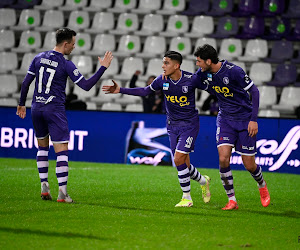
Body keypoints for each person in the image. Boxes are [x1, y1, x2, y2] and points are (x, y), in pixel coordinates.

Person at [16, 27, 113, 203]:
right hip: (54, 110)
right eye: (73, 44)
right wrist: (102, 68)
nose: (74, 47)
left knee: (42, 148)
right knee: (62, 151)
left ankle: (44, 186)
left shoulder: (38, 58)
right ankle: (62, 192)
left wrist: (22, 103)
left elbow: (26, 83)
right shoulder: (66, 63)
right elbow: (86, 85)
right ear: (66, 43)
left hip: (36, 108)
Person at [103, 51, 211, 207]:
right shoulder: (162, 80)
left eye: (166, 63)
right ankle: (203, 180)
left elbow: (212, 89)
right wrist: (121, 90)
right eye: (163, 62)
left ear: (176, 65)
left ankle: (187, 198)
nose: (163, 66)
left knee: (178, 159)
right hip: (172, 125)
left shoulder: (191, 79)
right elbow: (145, 91)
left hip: (189, 125)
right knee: (184, 164)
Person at [192, 44, 270, 210]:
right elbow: (192, 82)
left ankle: (262, 185)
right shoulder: (203, 73)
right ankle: (232, 200)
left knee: (249, 164)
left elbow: (254, 92)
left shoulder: (234, 71)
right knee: (223, 158)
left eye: (199, 61)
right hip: (225, 119)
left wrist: (253, 119)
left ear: (208, 60)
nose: (197, 64)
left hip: (244, 120)